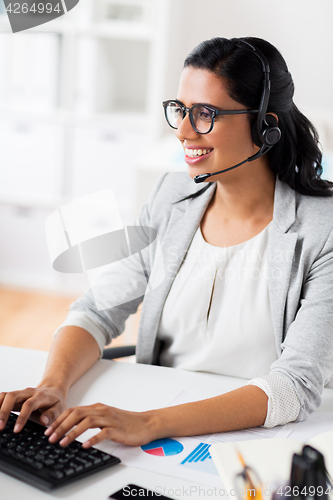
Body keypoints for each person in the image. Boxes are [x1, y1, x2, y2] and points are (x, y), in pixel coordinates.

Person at [1, 37, 333, 450]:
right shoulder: (171, 198)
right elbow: (96, 309)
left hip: (260, 439)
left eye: (205, 114)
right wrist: (52, 385)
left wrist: (149, 422)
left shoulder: (323, 230)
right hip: (159, 426)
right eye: (180, 110)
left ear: (265, 126)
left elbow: (294, 386)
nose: (182, 131)